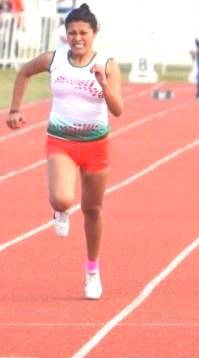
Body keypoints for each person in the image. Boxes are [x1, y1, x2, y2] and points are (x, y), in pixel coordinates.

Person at [5, 4, 123, 300]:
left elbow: (118, 109)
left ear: (94, 34)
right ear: (66, 35)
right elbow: (23, 72)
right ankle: (59, 210)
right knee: (62, 197)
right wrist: (15, 109)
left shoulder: (107, 63)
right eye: (72, 32)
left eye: (83, 32)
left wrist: (103, 84)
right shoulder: (55, 59)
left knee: (92, 210)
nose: (77, 38)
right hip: (61, 141)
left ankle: (92, 271)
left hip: (96, 144)